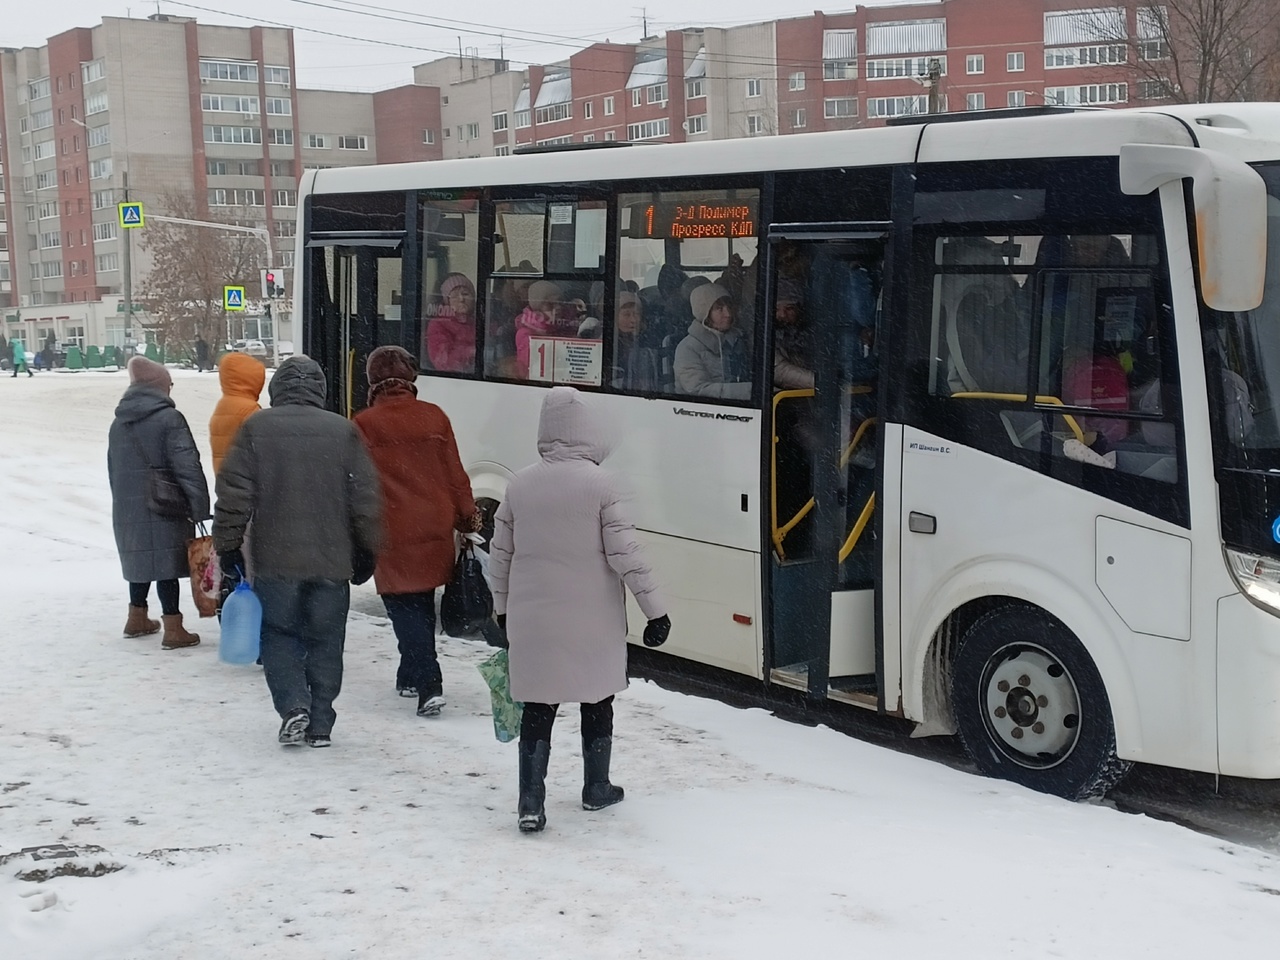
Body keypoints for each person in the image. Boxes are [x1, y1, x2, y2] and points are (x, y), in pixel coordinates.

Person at [489, 387, 671, 834]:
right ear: (589, 431)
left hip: (534, 618)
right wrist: (655, 611)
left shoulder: (520, 483)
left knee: (537, 708)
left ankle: (531, 803)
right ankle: (596, 787)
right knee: (597, 700)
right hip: (592, 620)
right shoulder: (600, 484)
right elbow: (627, 554)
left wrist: (502, 609)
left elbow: (500, 555)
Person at [213, 356, 383, 748]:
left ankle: (293, 706)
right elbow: (366, 500)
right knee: (326, 639)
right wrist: (367, 551)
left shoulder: (257, 428)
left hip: (276, 559)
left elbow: (233, 496)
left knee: (280, 635)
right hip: (331, 559)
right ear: (320, 390)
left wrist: (228, 546)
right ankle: (321, 721)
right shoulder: (343, 431)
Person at [354, 346, 481, 715]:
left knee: (401, 605)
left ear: (373, 381)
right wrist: (467, 517)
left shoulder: (364, 424)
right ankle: (409, 673)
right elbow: (456, 476)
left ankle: (429, 683)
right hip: (433, 524)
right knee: (422, 601)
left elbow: (358, 484)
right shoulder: (435, 417)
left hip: (390, 527)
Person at [108, 356, 210, 648]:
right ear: (158, 386)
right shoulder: (169, 419)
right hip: (166, 505)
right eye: (169, 384)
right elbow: (188, 465)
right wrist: (199, 506)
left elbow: (113, 470)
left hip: (129, 506)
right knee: (166, 563)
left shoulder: (118, 423)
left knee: (141, 557)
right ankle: (174, 629)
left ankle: (136, 617)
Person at [673, 282, 751, 400]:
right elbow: (698, 390)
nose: (728, 314)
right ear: (704, 313)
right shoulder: (687, 348)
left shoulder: (739, 339)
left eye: (729, 307)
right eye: (719, 309)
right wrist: (750, 391)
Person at [209, 351, 266, 475]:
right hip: (243, 478)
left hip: (226, 478)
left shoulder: (223, 404)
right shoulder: (249, 409)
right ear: (252, 378)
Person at [426, 273, 478, 373]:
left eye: (466, 294)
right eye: (454, 296)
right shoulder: (438, 324)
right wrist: (472, 352)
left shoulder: (478, 321)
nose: (461, 299)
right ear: (447, 301)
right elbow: (444, 362)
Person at [610, 290, 659, 391]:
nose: (633, 319)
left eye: (637, 314)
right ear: (614, 316)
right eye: (626, 314)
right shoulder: (608, 344)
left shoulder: (649, 341)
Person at [514, 280, 565, 377]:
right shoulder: (525, 333)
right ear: (537, 307)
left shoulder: (560, 328)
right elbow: (531, 365)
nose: (558, 308)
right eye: (550, 304)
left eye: (560, 303)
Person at [772, 276, 814, 390]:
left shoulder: (808, 332)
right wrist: (820, 382)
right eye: (776, 309)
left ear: (799, 309)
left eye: (789, 308)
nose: (782, 315)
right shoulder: (762, 335)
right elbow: (780, 372)